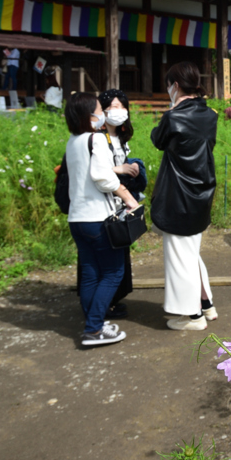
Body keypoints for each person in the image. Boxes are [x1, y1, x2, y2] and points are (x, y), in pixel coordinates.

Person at [64, 92, 140, 346]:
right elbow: (103, 177)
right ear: (89, 115)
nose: (103, 114)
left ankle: (94, 323)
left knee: (90, 273)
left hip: (77, 219)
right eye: (99, 110)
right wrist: (129, 198)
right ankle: (94, 330)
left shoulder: (73, 141)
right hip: (98, 218)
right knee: (113, 272)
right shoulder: (96, 139)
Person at [151, 62, 219, 331]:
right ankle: (206, 304)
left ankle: (192, 317)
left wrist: (171, 111)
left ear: (175, 85)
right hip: (202, 191)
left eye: (169, 85)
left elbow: (158, 140)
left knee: (180, 257)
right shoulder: (210, 114)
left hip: (178, 196)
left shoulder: (173, 117)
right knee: (190, 253)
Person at [91, 89, 146, 319]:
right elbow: (96, 170)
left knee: (118, 254)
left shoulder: (121, 139)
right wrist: (120, 169)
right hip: (102, 204)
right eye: (113, 106)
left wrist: (131, 168)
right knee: (105, 261)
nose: (119, 111)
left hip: (117, 205)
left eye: (122, 106)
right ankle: (100, 308)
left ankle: (112, 301)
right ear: (102, 110)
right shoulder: (96, 137)